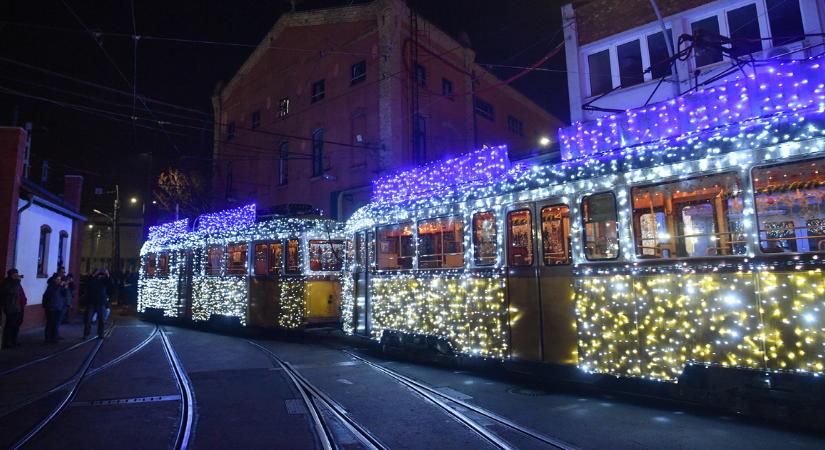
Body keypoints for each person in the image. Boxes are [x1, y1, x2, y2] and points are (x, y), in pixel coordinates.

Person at [84, 269, 112, 339]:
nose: (100, 275)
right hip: (92, 302)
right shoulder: (92, 279)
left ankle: (100, 334)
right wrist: (94, 275)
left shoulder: (104, 280)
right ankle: (86, 334)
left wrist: (107, 275)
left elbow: (111, 285)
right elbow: (88, 283)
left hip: (100, 302)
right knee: (88, 319)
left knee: (101, 320)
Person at [0, 269, 24, 349]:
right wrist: (17, 281)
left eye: (17, 274)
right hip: (10, 307)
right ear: (11, 275)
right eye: (15, 274)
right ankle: (7, 341)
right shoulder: (7, 283)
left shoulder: (15, 282)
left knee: (16, 324)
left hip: (17, 306)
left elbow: (19, 292)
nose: (17, 276)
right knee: (10, 325)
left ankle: (14, 340)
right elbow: (12, 291)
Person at [44, 273, 69, 343]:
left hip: (59, 307)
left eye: (60, 280)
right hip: (51, 307)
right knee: (50, 323)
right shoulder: (51, 286)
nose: (59, 281)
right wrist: (59, 286)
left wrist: (65, 288)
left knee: (55, 324)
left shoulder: (59, 286)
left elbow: (64, 295)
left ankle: (54, 338)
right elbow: (52, 294)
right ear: (54, 280)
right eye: (58, 279)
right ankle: (48, 338)